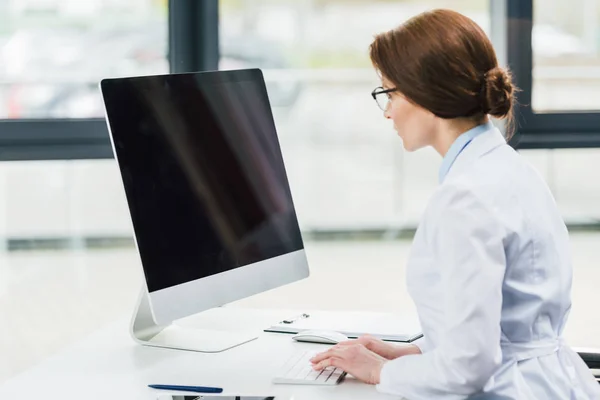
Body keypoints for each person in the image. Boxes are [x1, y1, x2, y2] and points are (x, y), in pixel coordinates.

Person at [309, 9, 600, 400]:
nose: (388, 111)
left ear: (425, 94)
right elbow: (503, 327)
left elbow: (469, 368)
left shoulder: (465, 198)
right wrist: (412, 353)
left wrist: (379, 371)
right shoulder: (510, 170)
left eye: (389, 93)